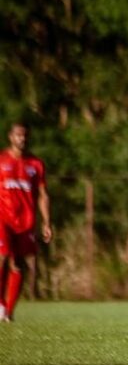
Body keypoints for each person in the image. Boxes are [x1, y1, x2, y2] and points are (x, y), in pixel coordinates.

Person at [0, 123, 52, 322]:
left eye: (25, 135)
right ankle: (0, 303)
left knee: (19, 265)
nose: (22, 138)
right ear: (10, 137)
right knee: (2, 256)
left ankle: (9, 312)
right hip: (2, 218)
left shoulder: (35, 164)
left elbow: (42, 195)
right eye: (18, 135)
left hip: (26, 222)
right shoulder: (1, 160)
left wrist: (46, 222)